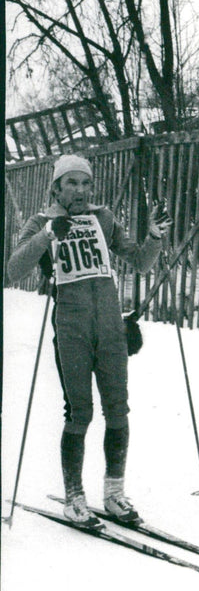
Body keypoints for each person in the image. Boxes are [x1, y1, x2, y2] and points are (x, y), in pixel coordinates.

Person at [7, 154, 172, 528]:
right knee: (79, 412)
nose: (80, 190)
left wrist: (155, 236)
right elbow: (13, 268)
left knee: (118, 409)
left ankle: (114, 495)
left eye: (85, 183)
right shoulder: (42, 222)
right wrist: (48, 235)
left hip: (111, 327)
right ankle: (75, 497)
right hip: (72, 327)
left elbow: (141, 262)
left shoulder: (103, 217)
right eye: (71, 183)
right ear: (57, 187)